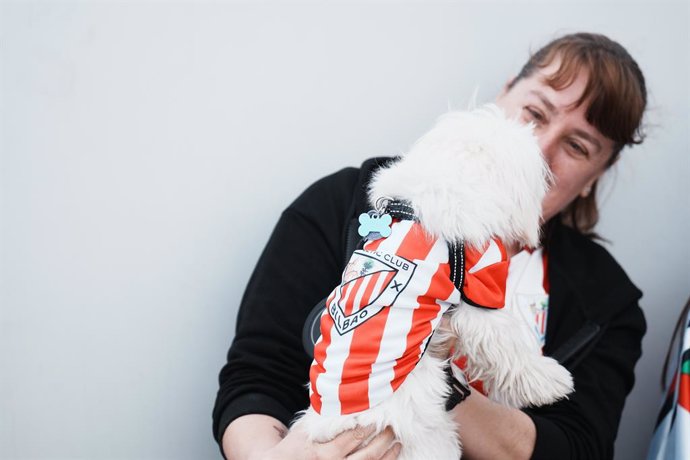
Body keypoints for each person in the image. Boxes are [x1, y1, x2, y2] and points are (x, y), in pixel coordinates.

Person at [212, 32, 648, 459]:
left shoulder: (608, 301)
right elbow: (256, 377)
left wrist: (430, 373)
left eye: (577, 145)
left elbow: (579, 446)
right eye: (534, 113)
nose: (540, 149)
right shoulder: (341, 204)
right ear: (502, 97)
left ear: (595, 177)